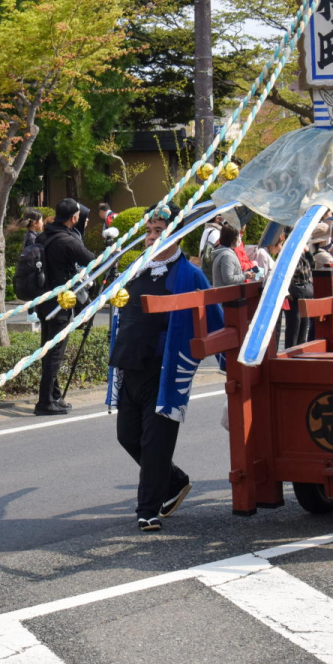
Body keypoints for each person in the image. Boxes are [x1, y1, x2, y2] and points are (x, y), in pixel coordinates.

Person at [108, 203, 224, 531]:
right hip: (130, 365)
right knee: (127, 436)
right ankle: (174, 481)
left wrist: (227, 359)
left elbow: (215, 320)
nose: (150, 237)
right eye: (148, 231)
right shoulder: (136, 270)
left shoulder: (190, 274)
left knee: (154, 443)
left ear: (176, 234)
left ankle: (147, 511)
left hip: (165, 371)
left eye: (159, 230)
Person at [34, 198, 95, 416]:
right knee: (55, 354)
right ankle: (44, 402)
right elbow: (92, 260)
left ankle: (54, 396)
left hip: (43, 301)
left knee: (47, 350)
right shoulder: (67, 241)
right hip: (60, 303)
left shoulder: (45, 235)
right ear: (74, 218)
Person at [210, 223, 246, 288]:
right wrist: (245, 276)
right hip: (228, 295)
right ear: (233, 239)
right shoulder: (227, 256)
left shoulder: (224, 253)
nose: (239, 238)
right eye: (238, 236)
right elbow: (228, 279)